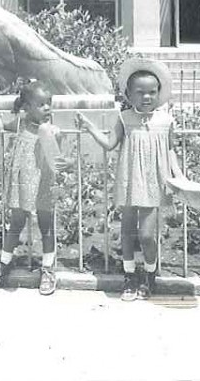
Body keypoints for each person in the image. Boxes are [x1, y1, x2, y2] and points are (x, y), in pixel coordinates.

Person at [76, 58, 178, 302]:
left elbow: (171, 151)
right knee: (127, 232)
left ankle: (150, 273)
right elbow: (110, 143)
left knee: (146, 235)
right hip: (129, 180)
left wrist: (178, 176)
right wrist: (90, 127)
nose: (146, 97)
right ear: (129, 94)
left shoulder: (165, 121)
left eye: (152, 92)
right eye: (140, 92)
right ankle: (130, 276)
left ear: (159, 93)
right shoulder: (124, 118)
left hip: (153, 182)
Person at [0, 81, 73, 295]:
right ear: (26, 107)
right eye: (41, 104)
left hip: (43, 182)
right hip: (21, 182)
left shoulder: (52, 131)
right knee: (15, 223)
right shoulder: (19, 124)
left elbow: (59, 159)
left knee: (46, 226)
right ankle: (4, 263)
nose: (47, 108)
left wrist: (67, 162)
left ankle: (48, 268)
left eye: (49, 103)